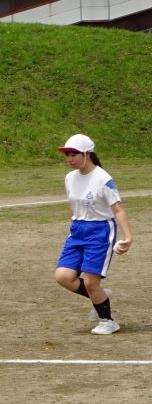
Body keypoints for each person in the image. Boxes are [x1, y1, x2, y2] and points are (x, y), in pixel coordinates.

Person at [54, 134, 132, 335]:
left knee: (90, 282)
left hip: (100, 231)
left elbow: (118, 209)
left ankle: (108, 321)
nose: (70, 158)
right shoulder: (69, 178)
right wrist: (73, 226)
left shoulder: (103, 179)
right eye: (67, 155)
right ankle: (101, 296)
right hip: (78, 230)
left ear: (87, 154)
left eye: (74, 154)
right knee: (63, 277)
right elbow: (73, 206)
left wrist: (128, 237)